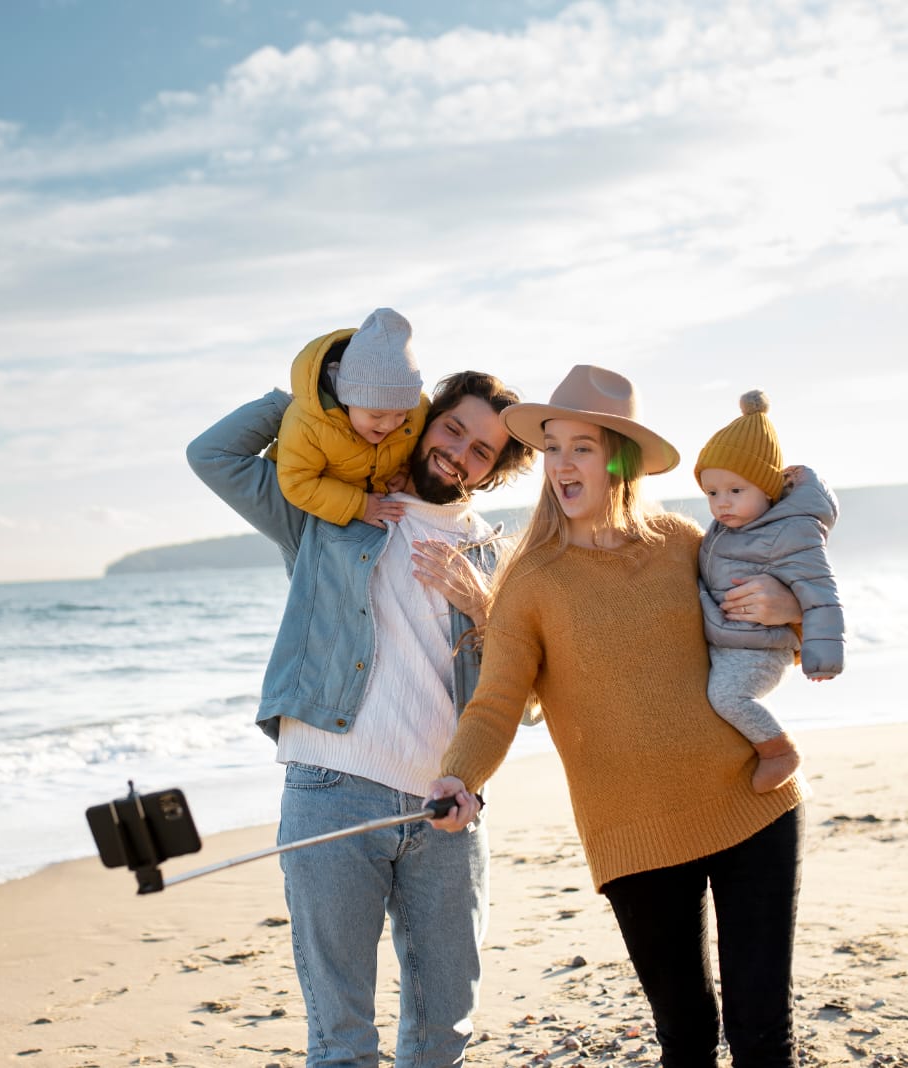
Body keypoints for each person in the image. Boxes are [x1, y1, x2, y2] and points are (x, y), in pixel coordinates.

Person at [428, 365, 807, 1067]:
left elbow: (778, 604)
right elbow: (498, 701)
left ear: (619, 459)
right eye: (552, 447)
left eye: (582, 446)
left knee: (763, 1034)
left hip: (751, 803)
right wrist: (460, 777)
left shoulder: (683, 542)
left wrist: (793, 611)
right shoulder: (530, 580)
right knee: (687, 1036)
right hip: (632, 834)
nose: (562, 464)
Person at [187, 352, 535, 1067]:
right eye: (451, 428)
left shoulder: (498, 558)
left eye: (481, 450)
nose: (458, 452)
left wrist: (483, 604)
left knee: (443, 1034)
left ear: (493, 470)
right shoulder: (329, 508)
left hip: (448, 808)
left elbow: (526, 703)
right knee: (342, 1040)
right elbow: (213, 454)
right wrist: (330, 391)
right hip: (330, 790)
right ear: (423, 419)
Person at [695, 389, 846, 793]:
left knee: (726, 698)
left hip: (760, 649)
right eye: (712, 493)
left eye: (735, 491)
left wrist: (822, 658)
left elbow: (820, 593)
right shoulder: (729, 527)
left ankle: (780, 751)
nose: (721, 503)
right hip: (730, 641)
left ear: (767, 489)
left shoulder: (792, 532)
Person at [272, 307, 429, 528]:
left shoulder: (418, 413)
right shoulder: (308, 425)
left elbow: (414, 449)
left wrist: (403, 473)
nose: (389, 425)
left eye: (400, 414)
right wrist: (360, 506)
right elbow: (296, 482)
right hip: (313, 510)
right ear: (346, 399)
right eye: (376, 414)